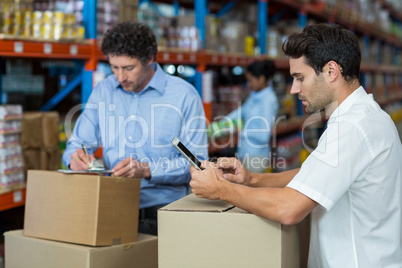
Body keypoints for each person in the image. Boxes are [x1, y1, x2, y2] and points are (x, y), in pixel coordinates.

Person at [189, 23, 402, 267]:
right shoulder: (365, 116)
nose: (293, 89)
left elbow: (288, 209)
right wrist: (253, 180)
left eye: (300, 78)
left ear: (331, 71)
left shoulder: (353, 128)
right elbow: (315, 174)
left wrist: (221, 190)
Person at [63, 22, 208, 235]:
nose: (121, 77)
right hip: (113, 206)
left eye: (129, 68)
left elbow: (197, 163)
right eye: (114, 67)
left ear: (149, 59)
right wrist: (75, 159)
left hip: (164, 213)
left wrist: (147, 170)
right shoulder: (104, 91)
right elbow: (76, 144)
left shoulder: (184, 95)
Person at [221, 60, 278, 173]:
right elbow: (241, 111)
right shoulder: (254, 96)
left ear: (261, 79)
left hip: (256, 159)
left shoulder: (269, 100)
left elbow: (263, 135)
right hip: (244, 154)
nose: (248, 84)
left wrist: (240, 131)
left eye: (250, 80)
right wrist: (220, 124)